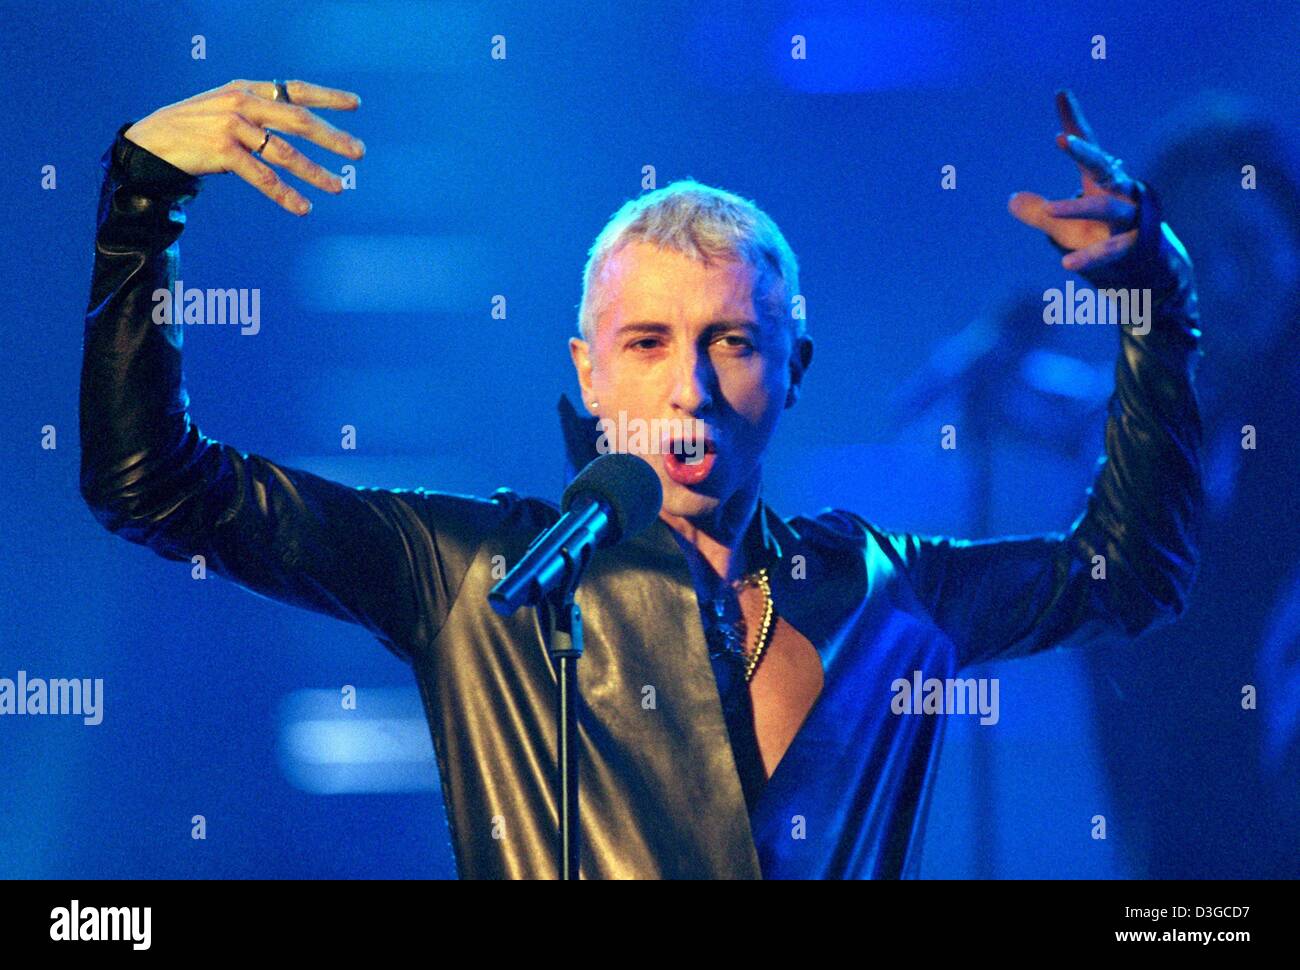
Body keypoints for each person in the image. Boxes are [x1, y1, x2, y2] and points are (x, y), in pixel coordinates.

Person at [81, 81, 1202, 878]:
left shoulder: (882, 589)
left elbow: (1131, 571)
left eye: (731, 342)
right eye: (648, 343)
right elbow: (153, 484)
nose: (690, 390)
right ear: (586, 367)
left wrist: (1156, 308)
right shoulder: (477, 573)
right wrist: (144, 201)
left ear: (792, 367)